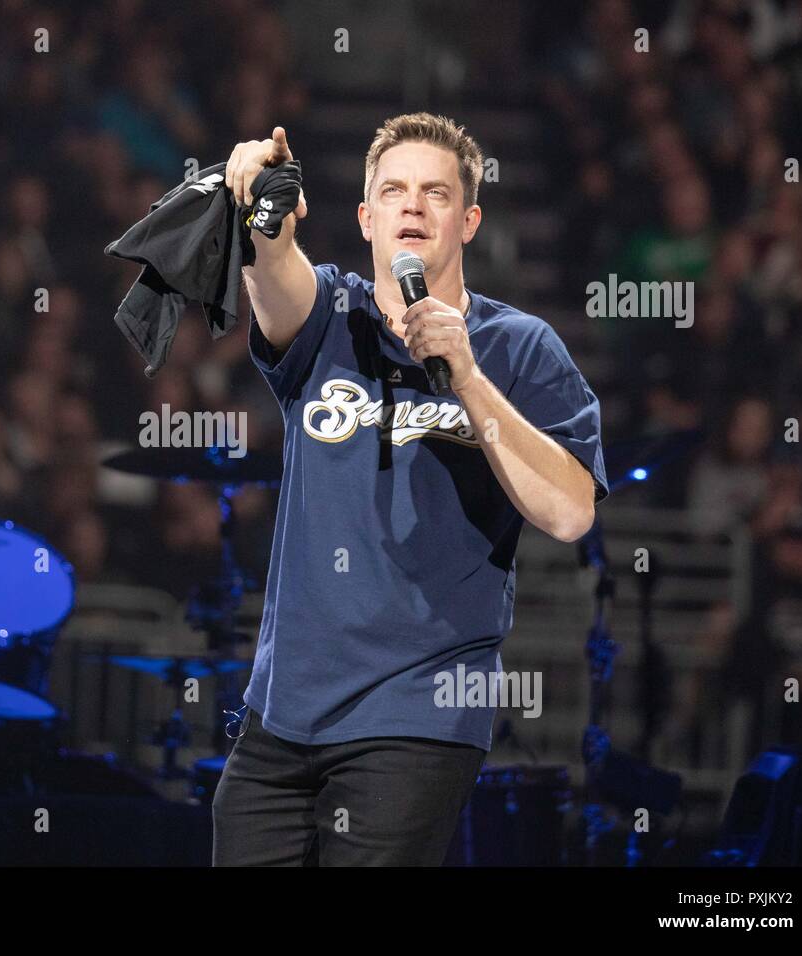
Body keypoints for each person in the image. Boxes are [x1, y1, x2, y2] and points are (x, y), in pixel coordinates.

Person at [212, 115, 609, 866]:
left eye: (436, 192)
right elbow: (271, 273)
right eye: (393, 191)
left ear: (469, 219)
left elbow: (569, 510)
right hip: (280, 716)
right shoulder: (331, 313)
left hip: (418, 713)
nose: (413, 206)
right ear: (366, 217)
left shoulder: (521, 348)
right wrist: (262, 210)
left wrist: (467, 377)